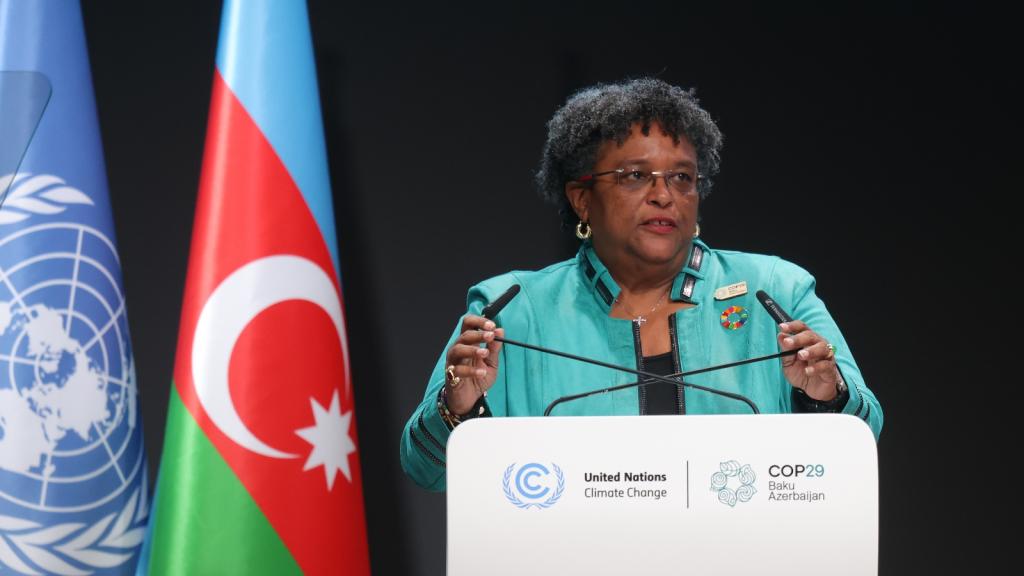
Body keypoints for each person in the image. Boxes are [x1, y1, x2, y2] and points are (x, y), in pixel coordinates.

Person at [400, 78, 882, 491]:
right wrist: (458, 407)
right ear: (581, 199)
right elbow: (426, 470)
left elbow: (864, 437)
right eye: (635, 176)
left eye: (682, 178)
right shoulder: (512, 311)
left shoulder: (775, 290)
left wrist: (824, 395)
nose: (663, 195)